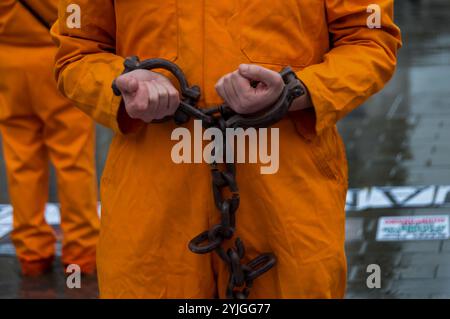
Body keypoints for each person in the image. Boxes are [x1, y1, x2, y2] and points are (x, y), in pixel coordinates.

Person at [51, 0, 401, 298]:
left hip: (288, 201)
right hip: (152, 210)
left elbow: (369, 40)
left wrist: (297, 92)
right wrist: (121, 85)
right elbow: (77, 52)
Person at [0, 0, 100, 276]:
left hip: (7, 65)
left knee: (21, 161)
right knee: (73, 160)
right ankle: (81, 254)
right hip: (58, 60)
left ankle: (32, 254)